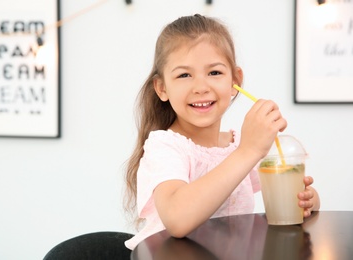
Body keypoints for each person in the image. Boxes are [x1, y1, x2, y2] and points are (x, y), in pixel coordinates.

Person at [123, 14, 320, 250]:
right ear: (162, 88)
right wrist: (250, 150)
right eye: (184, 75)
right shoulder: (165, 146)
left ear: (235, 81)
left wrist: (308, 199)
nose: (201, 87)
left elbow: (284, 196)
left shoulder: (236, 146)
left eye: (214, 73)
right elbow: (177, 219)